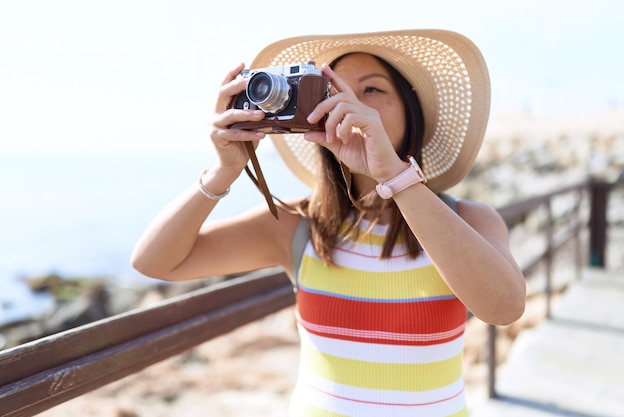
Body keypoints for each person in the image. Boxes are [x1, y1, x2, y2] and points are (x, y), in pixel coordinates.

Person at [132, 29, 526, 417]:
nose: (350, 103)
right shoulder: (298, 224)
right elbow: (154, 262)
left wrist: (394, 174)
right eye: (332, 92)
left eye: (371, 90)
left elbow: (504, 308)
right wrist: (224, 171)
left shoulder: (468, 220)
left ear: (412, 112)